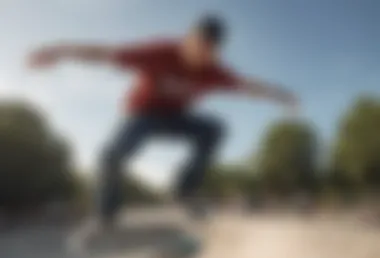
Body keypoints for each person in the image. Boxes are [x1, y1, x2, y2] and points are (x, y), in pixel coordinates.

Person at [27, 14, 299, 239]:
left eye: (207, 51)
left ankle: (185, 190)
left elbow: (248, 87)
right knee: (110, 157)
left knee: (215, 128)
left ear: (215, 51)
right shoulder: (160, 52)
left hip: (176, 119)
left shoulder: (215, 71)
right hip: (141, 115)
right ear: (188, 40)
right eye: (196, 46)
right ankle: (105, 218)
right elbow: (105, 53)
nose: (199, 55)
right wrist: (58, 51)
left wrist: (283, 96)